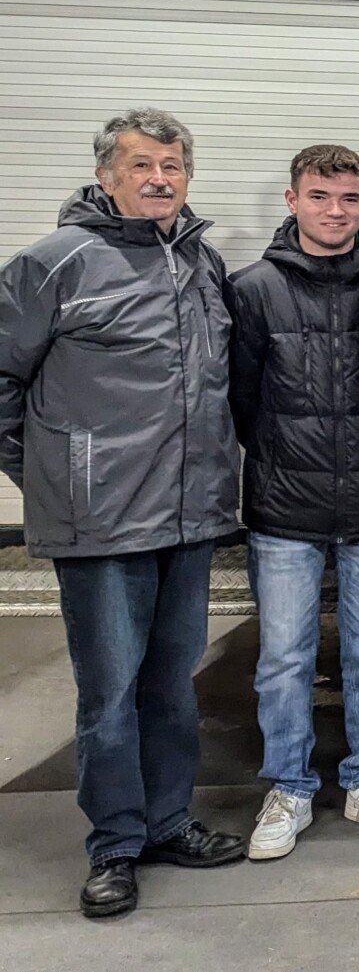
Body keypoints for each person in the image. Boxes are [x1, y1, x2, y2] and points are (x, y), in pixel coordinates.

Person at [0, 109, 245, 918]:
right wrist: (51, 480)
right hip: (100, 524)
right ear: (106, 174)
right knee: (108, 691)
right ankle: (113, 843)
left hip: (187, 517)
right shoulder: (53, 262)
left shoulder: (201, 263)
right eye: (141, 164)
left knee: (172, 685)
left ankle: (169, 819)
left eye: (172, 165)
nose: (158, 178)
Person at [229, 144, 359, 861]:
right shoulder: (252, 289)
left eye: (348, 199)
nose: (335, 211)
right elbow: (242, 400)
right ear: (291, 200)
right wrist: (285, 459)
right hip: (283, 509)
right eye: (319, 196)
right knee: (283, 657)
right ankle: (290, 787)